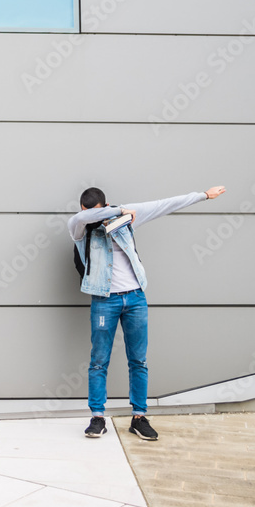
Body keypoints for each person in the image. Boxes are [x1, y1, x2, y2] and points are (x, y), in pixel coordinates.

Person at [68, 186, 225, 440]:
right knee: (99, 361)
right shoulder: (80, 227)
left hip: (135, 298)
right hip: (104, 300)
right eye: (91, 213)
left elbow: (163, 203)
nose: (94, 217)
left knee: (138, 360)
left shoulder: (124, 220)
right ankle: (97, 417)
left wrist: (203, 195)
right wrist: (120, 210)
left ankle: (139, 417)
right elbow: (80, 219)